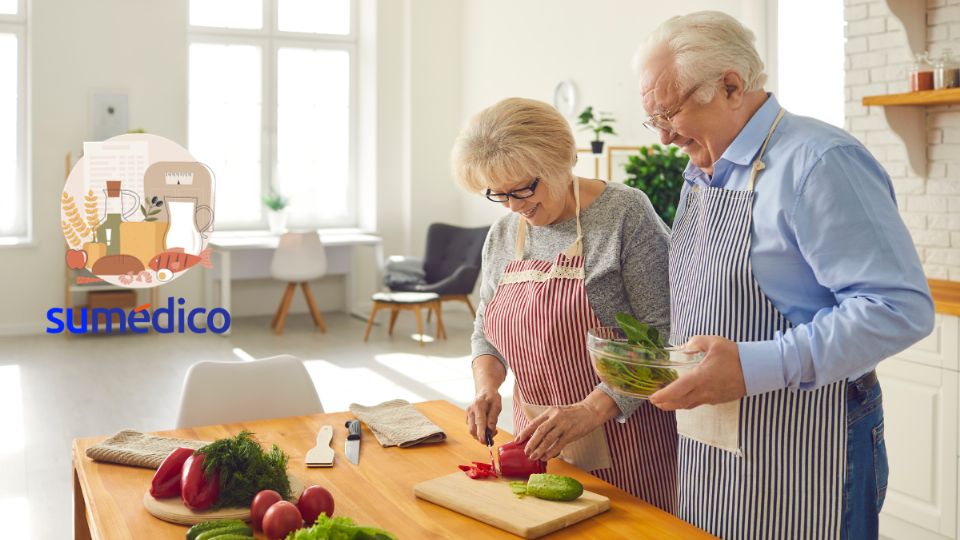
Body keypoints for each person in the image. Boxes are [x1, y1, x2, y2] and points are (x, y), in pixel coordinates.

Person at [628, 10, 934, 539]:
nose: (662, 138)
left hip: (812, 435)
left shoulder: (819, 161)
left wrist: (751, 367)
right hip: (714, 442)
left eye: (668, 114)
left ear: (730, 86)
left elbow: (898, 310)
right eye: (650, 119)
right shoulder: (703, 172)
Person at [451, 97, 677, 511]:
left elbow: (662, 337)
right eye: (499, 195)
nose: (515, 207)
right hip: (537, 446)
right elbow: (487, 331)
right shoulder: (503, 234)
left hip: (628, 446)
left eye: (523, 188)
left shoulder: (624, 214)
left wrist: (589, 410)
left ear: (562, 159)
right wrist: (486, 388)